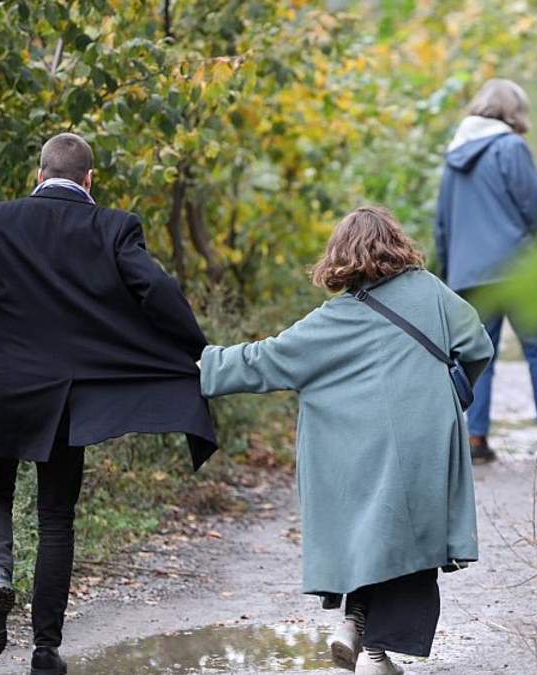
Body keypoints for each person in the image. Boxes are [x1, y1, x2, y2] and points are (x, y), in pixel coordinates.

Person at [0, 132, 217, 675]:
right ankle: (45, 651)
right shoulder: (115, 226)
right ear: (90, 180)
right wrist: (198, 351)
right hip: (70, 400)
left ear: (38, 175)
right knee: (56, 518)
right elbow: (157, 293)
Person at [198, 206, 493, 675]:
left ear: (340, 256)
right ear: (396, 242)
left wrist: (197, 367)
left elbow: (266, 360)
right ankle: (368, 645)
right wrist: (446, 397)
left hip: (362, 450)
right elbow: (477, 345)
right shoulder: (430, 291)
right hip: (426, 440)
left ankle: (361, 638)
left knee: (378, 536)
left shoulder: (334, 319)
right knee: (403, 543)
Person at [434, 78, 537, 464]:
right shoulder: (510, 147)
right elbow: (534, 207)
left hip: (471, 276)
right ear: (513, 111)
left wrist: (451, 271)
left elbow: (442, 224)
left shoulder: (454, 155)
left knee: (477, 357)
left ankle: (475, 439)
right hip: (519, 270)